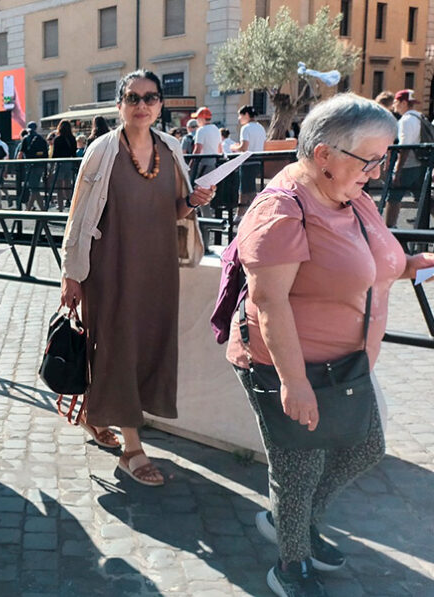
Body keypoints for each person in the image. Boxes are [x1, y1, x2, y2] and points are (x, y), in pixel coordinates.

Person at [225, 93, 434, 597]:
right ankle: (291, 562)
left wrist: (413, 264)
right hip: (290, 365)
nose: (380, 171)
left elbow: (373, 262)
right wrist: (293, 384)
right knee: (298, 467)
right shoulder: (281, 209)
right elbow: (269, 301)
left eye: (384, 157)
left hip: (347, 364)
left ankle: (292, 521)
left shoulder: (350, 194)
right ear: (324, 155)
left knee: (365, 448)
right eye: (371, 159)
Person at [60, 70, 213, 487]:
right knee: (118, 348)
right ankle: (132, 448)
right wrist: (71, 274)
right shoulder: (102, 151)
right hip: (110, 269)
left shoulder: (171, 148)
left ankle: (98, 415)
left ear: (161, 104)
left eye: (150, 97)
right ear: (119, 104)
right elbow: (78, 215)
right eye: (133, 97)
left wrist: (193, 202)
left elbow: (174, 212)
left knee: (148, 348)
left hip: (159, 270)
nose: (142, 105)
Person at [387, 89, 427, 228]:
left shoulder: (406, 120)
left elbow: (404, 148)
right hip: (421, 164)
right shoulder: (420, 117)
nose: (394, 105)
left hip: (408, 166)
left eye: (396, 102)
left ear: (403, 102)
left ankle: (390, 228)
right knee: (423, 198)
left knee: (393, 198)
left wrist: (397, 172)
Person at [231, 105, 268, 216]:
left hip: (247, 161)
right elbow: (264, 145)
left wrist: (233, 148)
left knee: (244, 190)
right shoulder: (261, 127)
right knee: (251, 189)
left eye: (240, 115)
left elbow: (244, 147)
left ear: (246, 115)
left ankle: (240, 214)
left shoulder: (246, 128)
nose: (239, 118)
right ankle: (254, 211)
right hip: (258, 161)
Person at [17, 121, 49, 210]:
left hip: (30, 166)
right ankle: (41, 208)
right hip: (41, 165)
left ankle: (29, 209)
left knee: (33, 188)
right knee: (35, 188)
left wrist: (17, 166)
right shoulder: (41, 139)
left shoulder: (26, 138)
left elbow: (20, 154)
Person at [51, 120, 78, 210]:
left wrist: (51, 167)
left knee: (59, 187)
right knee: (68, 185)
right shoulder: (73, 138)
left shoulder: (57, 139)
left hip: (60, 164)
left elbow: (54, 155)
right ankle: (71, 204)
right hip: (69, 163)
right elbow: (74, 153)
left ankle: (60, 206)